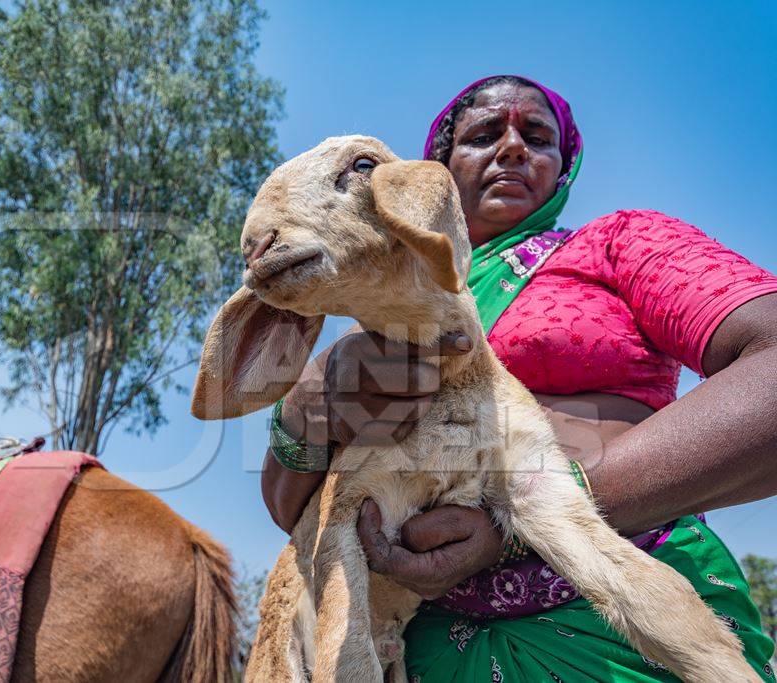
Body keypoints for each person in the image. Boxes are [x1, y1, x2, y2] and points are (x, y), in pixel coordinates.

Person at [261, 75, 777, 681]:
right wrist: (311, 397)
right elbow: (289, 509)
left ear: (562, 170)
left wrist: (527, 519)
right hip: (420, 647)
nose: (512, 148)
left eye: (537, 136)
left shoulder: (617, 244)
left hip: (627, 622)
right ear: (432, 178)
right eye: (483, 135)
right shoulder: (379, 315)